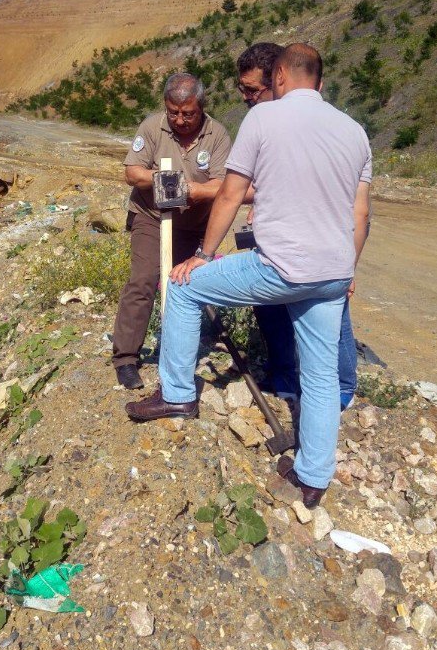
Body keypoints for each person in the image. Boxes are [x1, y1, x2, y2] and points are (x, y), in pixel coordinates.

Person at [126, 43, 372, 509]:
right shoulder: (354, 131)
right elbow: (360, 214)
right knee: (317, 377)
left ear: (279, 77)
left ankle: (177, 393)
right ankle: (312, 477)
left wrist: (202, 254)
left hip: (278, 266)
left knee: (183, 286)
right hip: (333, 270)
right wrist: (348, 269)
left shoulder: (263, 119)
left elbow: (231, 194)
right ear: (319, 80)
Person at [236, 43, 364, 409]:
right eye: (242, 90)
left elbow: (355, 206)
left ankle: (337, 387)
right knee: (271, 302)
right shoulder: (270, 122)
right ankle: (286, 376)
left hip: (322, 243)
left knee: (329, 305)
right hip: (282, 240)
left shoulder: (311, 124)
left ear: (277, 81)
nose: (246, 98)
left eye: (252, 90)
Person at [112, 73, 231, 389]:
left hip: (195, 225)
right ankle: (125, 358)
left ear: (201, 107)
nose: (179, 119)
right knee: (144, 280)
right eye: (173, 112)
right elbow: (131, 171)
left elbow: (224, 186)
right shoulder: (152, 127)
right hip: (151, 217)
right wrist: (163, 180)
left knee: (184, 285)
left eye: (188, 113)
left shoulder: (217, 135)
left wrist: (191, 189)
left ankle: (179, 354)